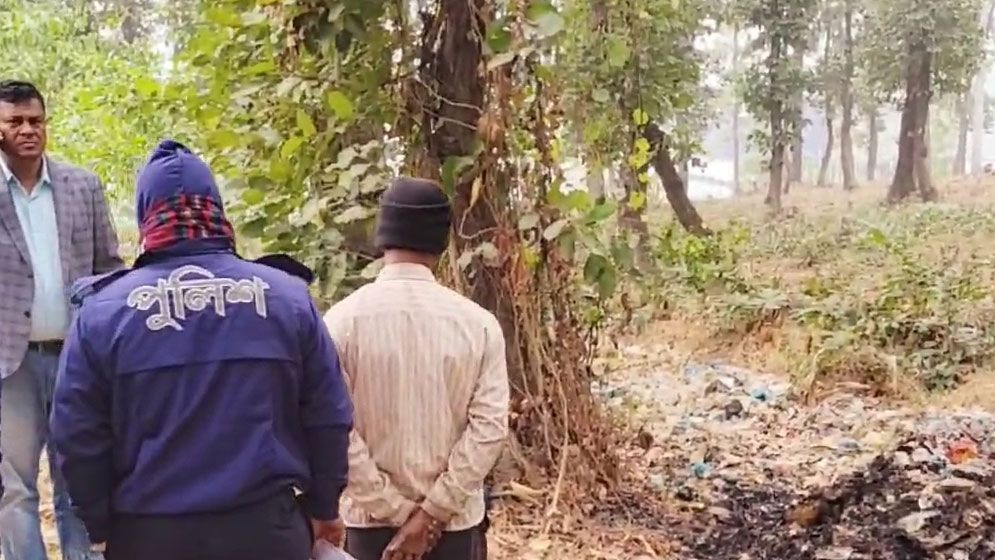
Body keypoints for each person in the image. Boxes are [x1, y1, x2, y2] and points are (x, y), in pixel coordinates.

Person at [49, 140, 354, 560]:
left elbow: (77, 434)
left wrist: (100, 525)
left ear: (146, 216)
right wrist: (324, 505)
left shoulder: (102, 314)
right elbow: (328, 415)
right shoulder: (287, 298)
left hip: (149, 536)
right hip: (266, 531)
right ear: (217, 209)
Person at [323, 177, 510, 560]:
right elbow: (489, 429)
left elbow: (334, 430)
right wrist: (430, 514)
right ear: (441, 242)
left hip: (370, 529)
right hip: (453, 529)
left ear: (383, 235)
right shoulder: (478, 324)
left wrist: (397, 512)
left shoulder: (340, 322)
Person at [0, 79, 123, 560]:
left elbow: (108, 268)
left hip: (77, 358)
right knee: (15, 487)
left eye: (35, 121)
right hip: (10, 364)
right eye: (15, 122)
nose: (28, 130)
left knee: (80, 478)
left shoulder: (81, 186)